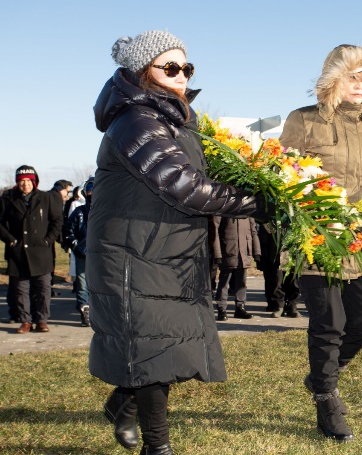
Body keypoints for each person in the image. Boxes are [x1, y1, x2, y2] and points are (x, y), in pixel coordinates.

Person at [88, 30, 269, 455]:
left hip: (170, 249)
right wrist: (256, 202)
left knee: (167, 343)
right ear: (141, 71)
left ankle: (123, 402)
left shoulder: (176, 119)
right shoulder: (136, 120)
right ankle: (158, 446)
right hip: (135, 252)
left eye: (187, 68)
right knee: (153, 347)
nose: (182, 75)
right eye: (170, 67)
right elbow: (183, 185)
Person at [279, 44, 362, 442]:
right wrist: (316, 215)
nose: (360, 86)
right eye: (353, 77)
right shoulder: (303, 120)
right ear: (335, 77)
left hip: (361, 238)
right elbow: (284, 173)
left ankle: (318, 377)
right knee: (329, 323)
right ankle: (327, 400)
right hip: (315, 238)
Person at [0, 165, 63, 333]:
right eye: (21, 181)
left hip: (41, 252)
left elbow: (57, 221)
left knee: (43, 289)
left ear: (34, 182)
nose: (25, 184)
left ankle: (42, 320)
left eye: (28, 181)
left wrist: (48, 240)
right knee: (21, 291)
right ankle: (25, 321)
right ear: (17, 183)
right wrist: (11, 241)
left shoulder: (46, 197)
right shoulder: (8, 199)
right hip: (18, 252)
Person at [213, 215, 261, 321]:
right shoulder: (223, 206)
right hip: (228, 250)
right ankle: (221, 309)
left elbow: (253, 231)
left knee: (242, 282)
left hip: (243, 252)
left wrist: (256, 251)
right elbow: (215, 230)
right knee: (224, 282)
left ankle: (240, 307)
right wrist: (217, 253)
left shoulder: (246, 208)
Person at [62, 178, 94, 326]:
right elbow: (68, 231)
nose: (92, 192)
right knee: (83, 284)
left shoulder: (108, 211)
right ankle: (84, 310)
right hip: (84, 253)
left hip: (105, 256)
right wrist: (76, 247)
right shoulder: (79, 211)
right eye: (90, 189)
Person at [257, 222, 301, 318]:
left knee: (293, 279)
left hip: (293, 248)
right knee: (276, 279)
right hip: (275, 249)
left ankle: (292, 305)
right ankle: (278, 305)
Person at [49, 179, 73, 296]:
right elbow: (58, 219)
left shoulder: (49, 195)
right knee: (49, 264)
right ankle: (48, 289)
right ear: (60, 189)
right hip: (49, 236)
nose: (67, 195)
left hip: (48, 235)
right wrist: (61, 239)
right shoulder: (56, 198)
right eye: (66, 191)